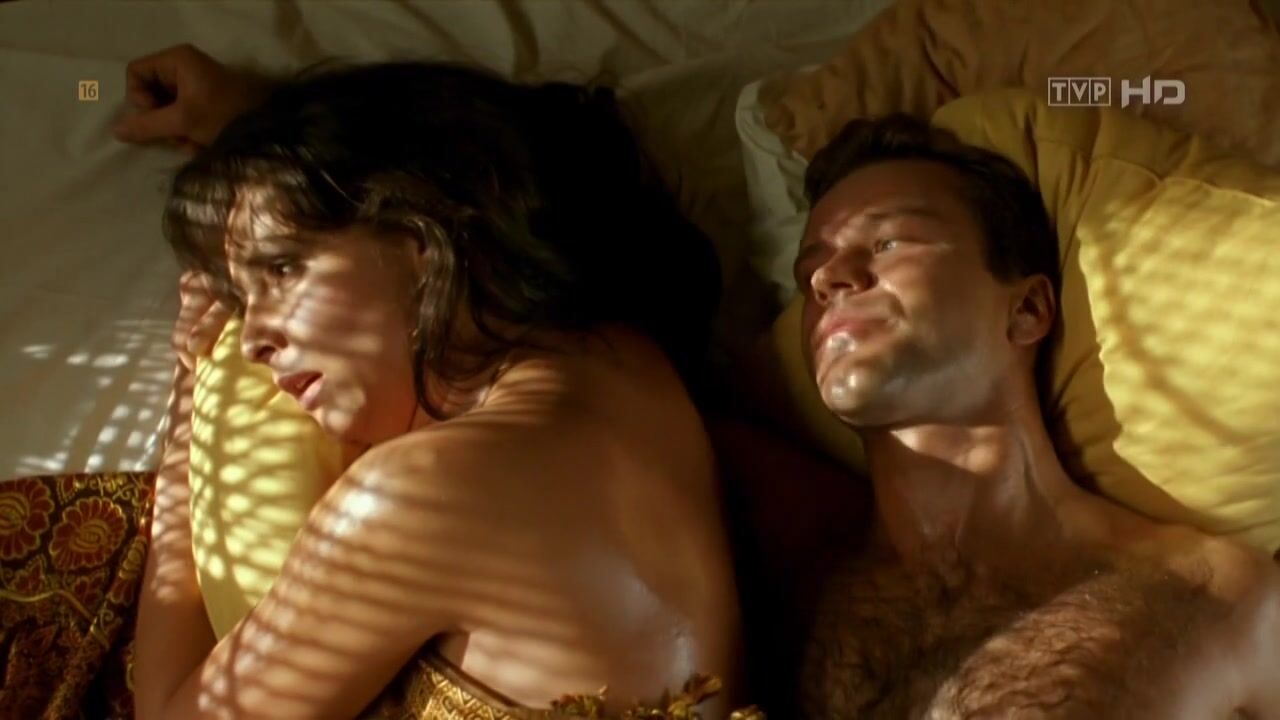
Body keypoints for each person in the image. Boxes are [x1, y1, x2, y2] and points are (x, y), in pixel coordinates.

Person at [115, 44, 748, 719]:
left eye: (282, 269)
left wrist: (191, 395)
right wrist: (258, 127)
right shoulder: (629, 357)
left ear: (421, 236)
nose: (250, 341)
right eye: (241, 303)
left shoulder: (416, 496)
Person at [760, 114, 1280, 718]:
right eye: (809, 273)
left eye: (888, 243)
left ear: (1027, 309)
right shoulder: (784, 575)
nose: (828, 279)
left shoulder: (1216, 599)